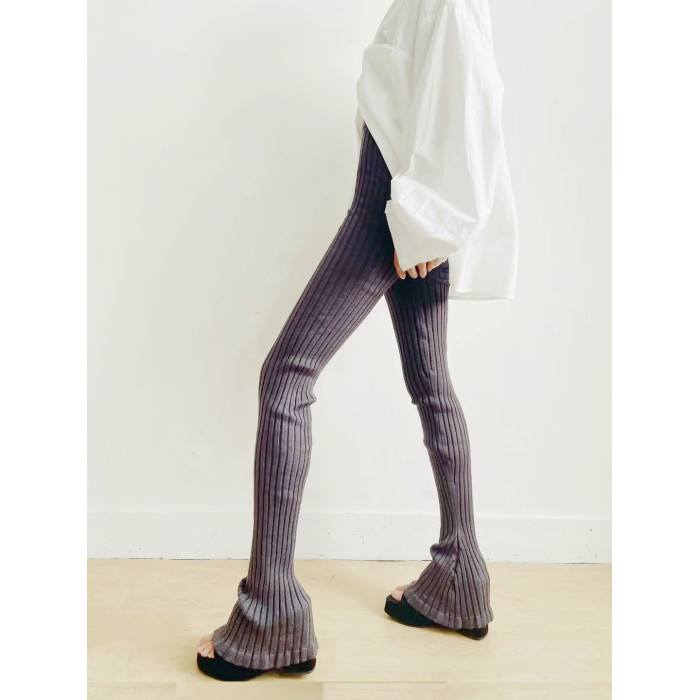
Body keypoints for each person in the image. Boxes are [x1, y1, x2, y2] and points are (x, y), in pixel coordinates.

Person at [196, 0, 518, 682]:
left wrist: (427, 226)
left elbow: (473, 106)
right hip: (409, 208)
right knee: (431, 385)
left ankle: (270, 615)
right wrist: (425, 222)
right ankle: (459, 580)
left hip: (396, 210)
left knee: (285, 378)